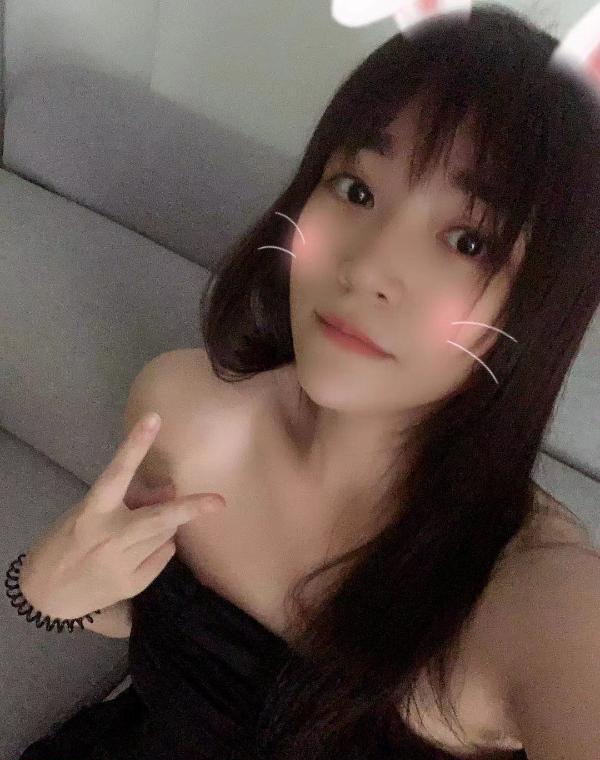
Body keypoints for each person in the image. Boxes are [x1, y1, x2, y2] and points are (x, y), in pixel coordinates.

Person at [17, 4, 600, 759]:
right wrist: (45, 593)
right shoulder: (182, 413)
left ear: (544, 304)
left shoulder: (542, 603)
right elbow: (159, 628)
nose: (365, 267)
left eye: (467, 240)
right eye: (355, 190)